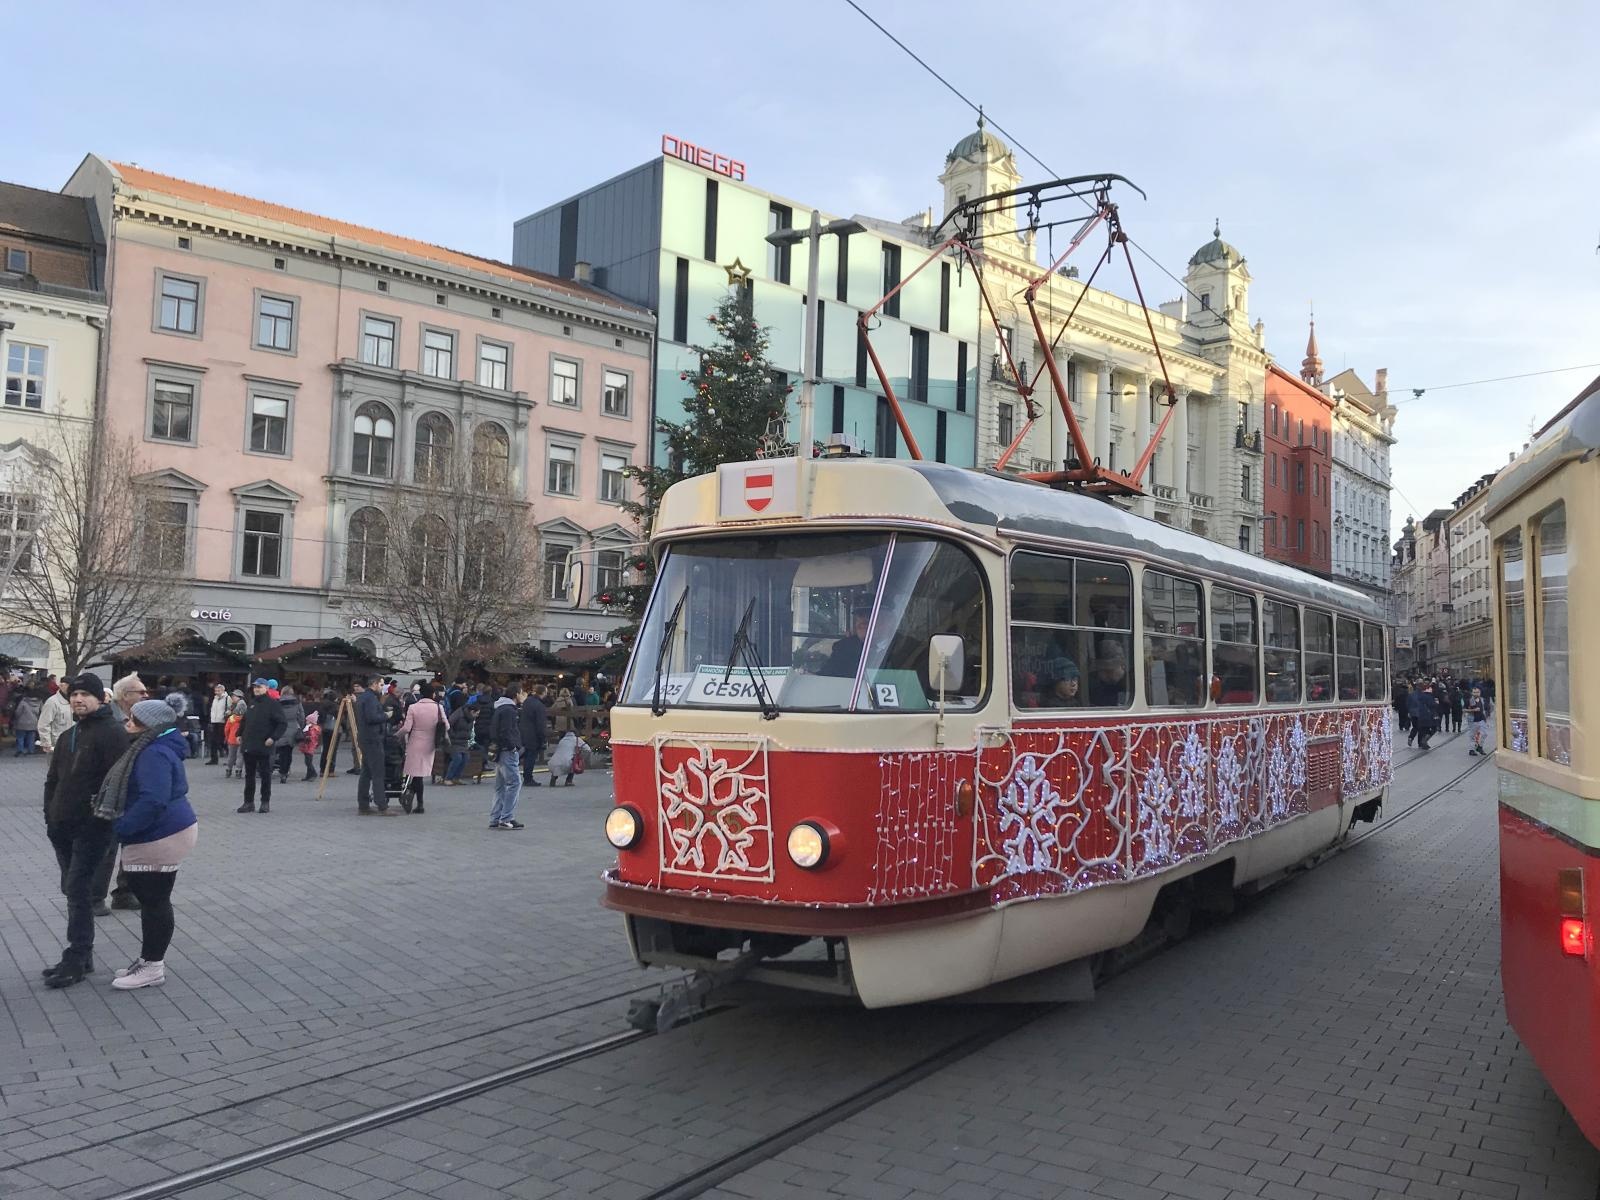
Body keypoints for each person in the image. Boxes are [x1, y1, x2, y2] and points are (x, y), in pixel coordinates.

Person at [99, 697, 199, 990]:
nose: (127, 722)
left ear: (150, 725)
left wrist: (121, 828)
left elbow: (153, 799)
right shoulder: (155, 746)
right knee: (153, 899)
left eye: (134, 719)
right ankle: (148, 960)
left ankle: (152, 966)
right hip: (162, 830)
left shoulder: (154, 752)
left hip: (160, 833)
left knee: (154, 901)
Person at [40, 674, 129, 988]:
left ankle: (77, 957)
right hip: (62, 827)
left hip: (93, 828)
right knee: (72, 890)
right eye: (74, 694)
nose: (78, 699)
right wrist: (50, 817)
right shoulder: (70, 734)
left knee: (79, 890)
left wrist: (99, 821)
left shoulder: (112, 733)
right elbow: (54, 780)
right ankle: (83, 954)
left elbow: (118, 784)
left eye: (85, 695)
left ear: (100, 699)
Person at [237, 678, 287, 813]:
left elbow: (282, 723)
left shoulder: (273, 704)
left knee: (265, 775)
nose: (257, 689)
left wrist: (273, 738)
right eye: (255, 687)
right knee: (249, 775)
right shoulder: (252, 703)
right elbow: (245, 720)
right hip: (249, 744)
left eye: (259, 687)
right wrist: (239, 733)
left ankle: (265, 802)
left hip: (264, 744)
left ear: (266, 688)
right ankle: (248, 802)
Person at [396, 684, 445, 814]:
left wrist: (396, 735)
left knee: (414, 773)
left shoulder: (413, 707)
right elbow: (447, 725)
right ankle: (419, 802)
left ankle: (414, 798)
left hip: (415, 743)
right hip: (430, 744)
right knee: (419, 775)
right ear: (433, 694)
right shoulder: (438, 708)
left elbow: (407, 728)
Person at [487, 684, 525, 829]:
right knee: (514, 783)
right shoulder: (510, 710)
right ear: (516, 694)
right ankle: (506, 817)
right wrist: (512, 747)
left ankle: (495, 817)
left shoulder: (500, 708)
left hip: (499, 750)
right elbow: (506, 731)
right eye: (521, 693)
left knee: (501, 786)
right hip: (507, 751)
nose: (523, 696)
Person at [354, 675, 391, 815]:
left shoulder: (363, 697)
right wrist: (386, 716)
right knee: (377, 772)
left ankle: (363, 804)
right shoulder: (370, 698)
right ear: (374, 684)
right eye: (381, 685)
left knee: (366, 772)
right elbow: (372, 717)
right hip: (373, 738)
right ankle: (382, 805)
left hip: (365, 737)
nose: (382, 688)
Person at [822, 608, 872, 677]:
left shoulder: (888, 649)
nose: (862, 623)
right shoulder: (844, 647)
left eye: (869, 617)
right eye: (859, 618)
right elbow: (827, 674)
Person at [520, 683, 549, 788]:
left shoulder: (527, 701)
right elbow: (540, 724)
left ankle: (526, 777)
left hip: (524, 732)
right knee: (531, 757)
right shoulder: (539, 706)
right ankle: (528, 778)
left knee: (526, 756)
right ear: (543, 692)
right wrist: (543, 737)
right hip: (534, 735)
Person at [275, 686, 305, 783]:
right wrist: (300, 726)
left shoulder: (277, 702)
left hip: (280, 728)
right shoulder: (297, 702)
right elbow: (301, 716)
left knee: (281, 751)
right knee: (288, 752)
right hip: (293, 728)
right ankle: (285, 771)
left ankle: (281, 770)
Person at [1088, 640, 1130, 707]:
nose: (1105, 675)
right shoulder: (1092, 683)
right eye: (1102, 670)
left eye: (1110, 670)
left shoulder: (1130, 683)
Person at [443, 697, 473, 785]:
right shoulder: (458, 714)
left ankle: (456, 777)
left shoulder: (471, 718)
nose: (477, 715)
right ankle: (448, 778)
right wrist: (452, 735)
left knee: (466, 758)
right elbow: (448, 725)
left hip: (463, 741)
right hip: (453, 741)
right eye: (477, 713)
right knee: (457, 758)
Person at [39, 677, 73, 755]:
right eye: (69, 686)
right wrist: (46, 743)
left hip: (72, 744)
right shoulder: (52, 702)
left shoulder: (73, 701)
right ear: (61, 685)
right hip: (56, 745)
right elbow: (44, 724)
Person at [1408, 683, 1437, 751]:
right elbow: (1431, 705)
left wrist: (1409, 711)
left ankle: (1411, 738)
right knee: (1427, 728)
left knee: (1416, 727)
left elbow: (1408, 703)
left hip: (1414, 713)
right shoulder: (1427, 695)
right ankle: (1422, 742)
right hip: (1424, 714)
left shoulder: (1412, 694)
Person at [13, 687, 40, 754]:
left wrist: (16, 719)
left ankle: (20, 749)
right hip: (34, 722)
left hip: (22, 722)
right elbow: (41, 712)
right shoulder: (39, 702)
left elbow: (18, 712)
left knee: (20, 737)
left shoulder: (23, 702)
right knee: (31, 737)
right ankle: (31, 750)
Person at [206, 683, 228, 765]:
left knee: (223, 741)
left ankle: (230, 758)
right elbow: (212, 709)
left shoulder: (227, 698)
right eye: (216, 691)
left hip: (223, 722)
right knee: (213, 741)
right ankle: (214, 759)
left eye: (219, 691)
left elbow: (229, 708)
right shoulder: (214, 699)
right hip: (214, 721)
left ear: (223, 691)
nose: (217, 692)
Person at [1466, 686, 1491, 756]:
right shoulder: (1469, 700)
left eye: (1477, 692)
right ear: (1472, 693)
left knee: (1485, 734)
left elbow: (1485, 709)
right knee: (1472, 736)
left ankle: (1479, 747)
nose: (1476, 694)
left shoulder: (1482, 700)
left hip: (1481, 719)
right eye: (1474, 692)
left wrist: (1486, 719)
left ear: (1480, 693)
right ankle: (1471, 750)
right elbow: (1464, 709)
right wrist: (1473, 710)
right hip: (1473, 720)